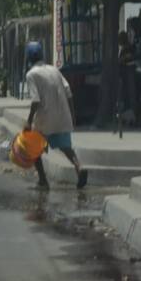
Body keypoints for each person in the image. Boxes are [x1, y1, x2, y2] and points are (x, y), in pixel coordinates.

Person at [23, 41, 88, 190]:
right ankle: (79, 168)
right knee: (66, 148)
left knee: (34, 148)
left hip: (45, 118)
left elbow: (35, 101)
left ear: (28, 58)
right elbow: (68, 92)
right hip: (62, 115)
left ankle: (43, 181)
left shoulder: (31, 74)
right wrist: (72, 115)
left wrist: (28, 122)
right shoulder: (54, 70)